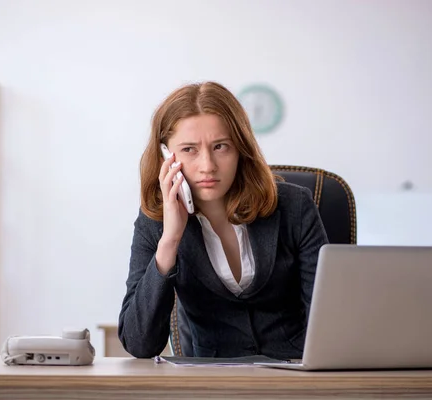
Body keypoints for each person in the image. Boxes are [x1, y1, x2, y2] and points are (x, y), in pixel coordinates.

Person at [118, 81, 328, 360]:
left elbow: (327, 320)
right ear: (166, 156)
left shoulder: (294, 207)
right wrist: (169, 242)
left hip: (297, 375)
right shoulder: (154, 222)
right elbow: (139, 344)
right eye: (189, 149)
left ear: (241, 148)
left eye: (220, 146)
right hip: (211, 381)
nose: (207, 165)